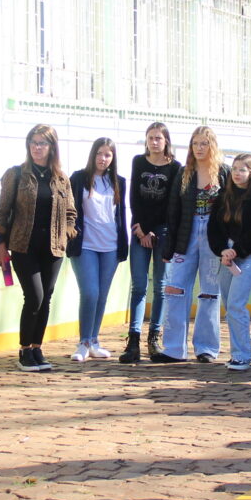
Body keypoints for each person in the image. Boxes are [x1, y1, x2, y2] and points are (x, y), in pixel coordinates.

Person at [0, 125, 78, 372]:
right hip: (23, 245)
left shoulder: (61, 178)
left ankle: (37, 347)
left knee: (47, 298)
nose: (37, 147)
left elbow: (71, 213)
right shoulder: (17, 174)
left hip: (53, 248)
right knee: (34, 297)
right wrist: (1, 244)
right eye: (33, 142)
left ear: (52, 147)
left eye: (42, 143)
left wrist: (66, 232)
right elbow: (2, 213)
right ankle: (24, 350)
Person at [155, 127, 230, 364]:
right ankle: (174, 348)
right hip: (186, 235)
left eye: (204, 143)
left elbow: (231, 208)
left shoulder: (224, 172)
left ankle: (206, 347)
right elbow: (173, 212)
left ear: (212, 146)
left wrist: (229, 242)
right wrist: (169, 248)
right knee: (175, 288)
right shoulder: (183, 172)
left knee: (209, 292)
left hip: (213, 236)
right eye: (195, 143)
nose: (199, 148)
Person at [121, 124, 180, 363]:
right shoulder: (138, 162)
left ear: (166, 140)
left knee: (160, 286)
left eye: (158, 138)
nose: (154, 142)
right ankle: (133, 339)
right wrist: (142, 230)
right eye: (150, 138)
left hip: (163, 231)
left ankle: (154, 338)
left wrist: (155, 231)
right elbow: (134, 197)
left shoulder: (175, 167)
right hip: (139, 230)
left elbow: (170, 203)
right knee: (138, 286)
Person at [209, 154, 251, 371]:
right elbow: (213, 228)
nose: (237, 173)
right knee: (229, 305)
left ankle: (243, 356)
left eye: (242, 169)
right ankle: (236, 353)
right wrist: (222, 250)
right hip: (226, 258)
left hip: (248, 258)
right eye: (234, 169)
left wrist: (236, 250)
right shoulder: (223, 197)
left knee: (236, 304)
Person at [68, 138, 127, 363]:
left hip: (110, 246)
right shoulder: (78, 178)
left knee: (102, 295)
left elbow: (120, 214)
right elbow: (70, 210)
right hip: (85, 245)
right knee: (90, 292)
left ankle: (94, 341)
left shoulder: (118, 182)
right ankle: (83, 341)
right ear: (93, 155)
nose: (103, 158)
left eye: (108, 155)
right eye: (100, 153)